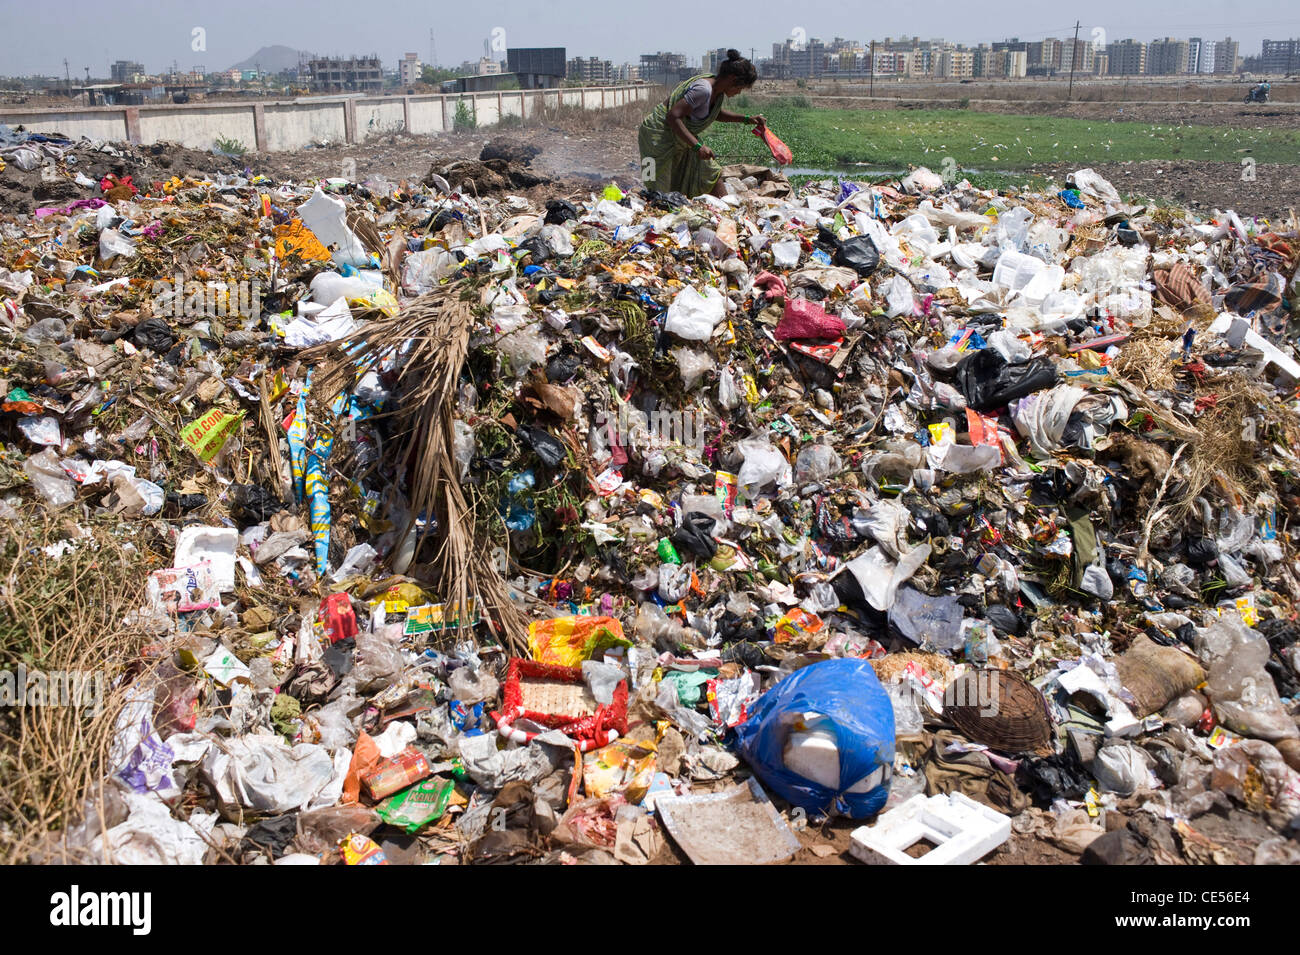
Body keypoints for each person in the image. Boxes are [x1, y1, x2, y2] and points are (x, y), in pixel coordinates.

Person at [638, 50, 766, 198]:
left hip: (680, 137)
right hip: (656, 136)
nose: (739, 93)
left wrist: (747, 119)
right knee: (657, 185)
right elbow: (673, 116)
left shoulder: (716, 93)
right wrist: (697, 146)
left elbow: (713, 113)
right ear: (732, 79)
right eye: (740, 88)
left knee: (710, 173)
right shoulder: (703, 90)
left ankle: (725, 209)